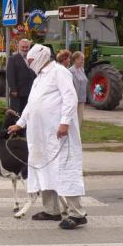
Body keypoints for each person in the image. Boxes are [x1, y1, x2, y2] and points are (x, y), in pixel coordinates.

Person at [7, 44, 87, 230]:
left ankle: (78, 214)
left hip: (58, 134)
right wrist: (20, 123)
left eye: (31, 60)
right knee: (43, 169)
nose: (29, 64)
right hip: (41, 136)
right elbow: (32, 104)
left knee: (64, 170)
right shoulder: (39, 78)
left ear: (42, 57)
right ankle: (52, 210)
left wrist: (65, 122)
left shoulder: (59, 72)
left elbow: (70, 97)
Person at [6, 38, 35, 113]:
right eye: (23, 47)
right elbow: (10, 75)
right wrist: (13, 89)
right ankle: (10, 125)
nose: (25, 49)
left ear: (29, 47)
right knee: (16, 113)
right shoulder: (13, 59)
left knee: (27, 113)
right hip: (18, 92)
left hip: (30, 91)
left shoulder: (33, 59)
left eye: (27, 47)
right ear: (18, 47)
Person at [70, 51, 88, 126]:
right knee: (73, 119)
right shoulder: (70, 71)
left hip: (82, 98)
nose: (83, 61)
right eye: (81, 59)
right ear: (76, 60)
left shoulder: (82, 70)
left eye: (83, 59)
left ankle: (77, 136)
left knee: (80, 119)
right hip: (74, 99)